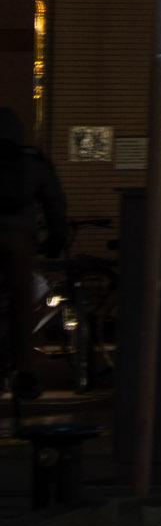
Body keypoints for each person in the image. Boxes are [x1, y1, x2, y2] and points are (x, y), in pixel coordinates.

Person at [1, 105, 72, 403]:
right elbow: (54, 201)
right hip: (17, 240)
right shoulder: (32, 161)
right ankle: (26, 374)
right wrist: (57, 237)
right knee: (23, 303)